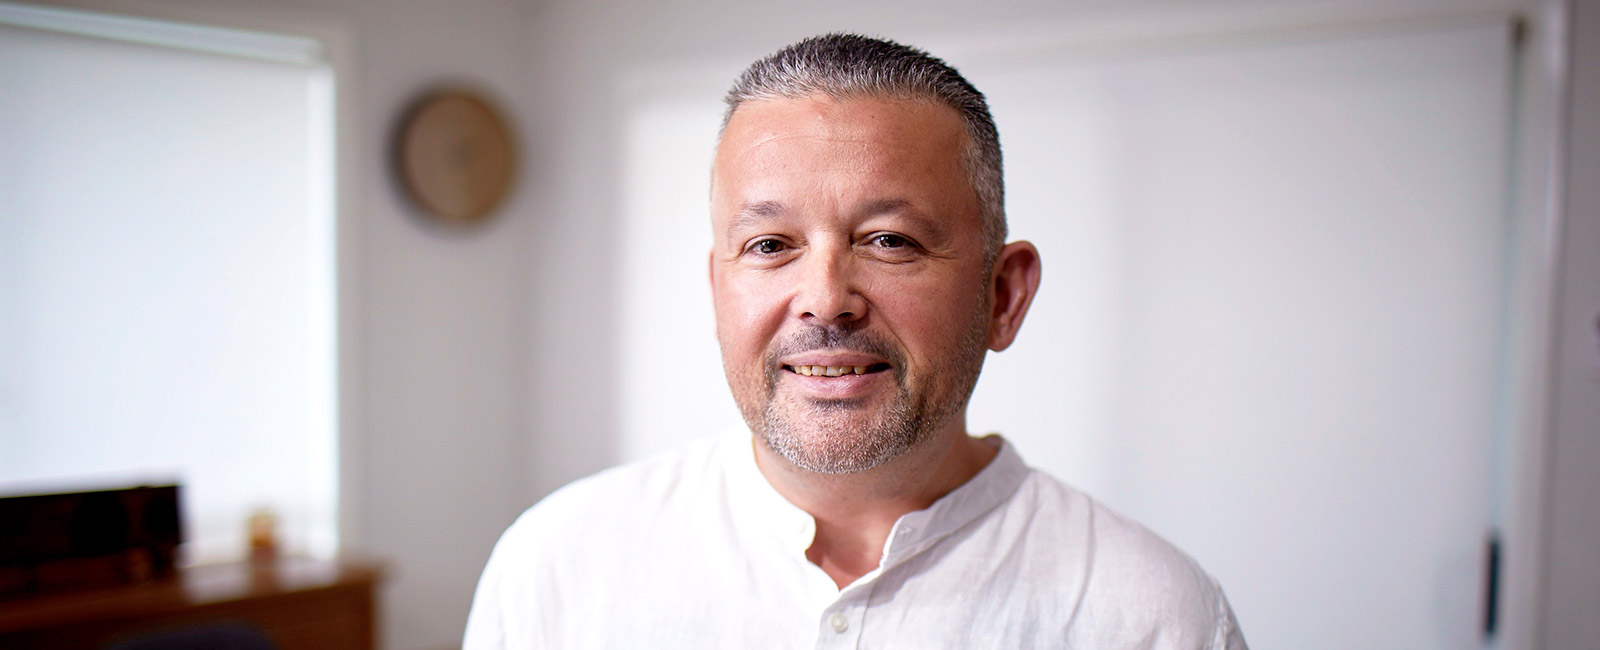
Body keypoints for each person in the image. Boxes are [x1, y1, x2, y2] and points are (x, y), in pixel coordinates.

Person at [464, 33, 1247, 649]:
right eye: (770, 245)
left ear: (1003, 296)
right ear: (716, 292)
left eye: (890, 240)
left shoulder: (1155, 616)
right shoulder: (559, 567)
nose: (826, 301)